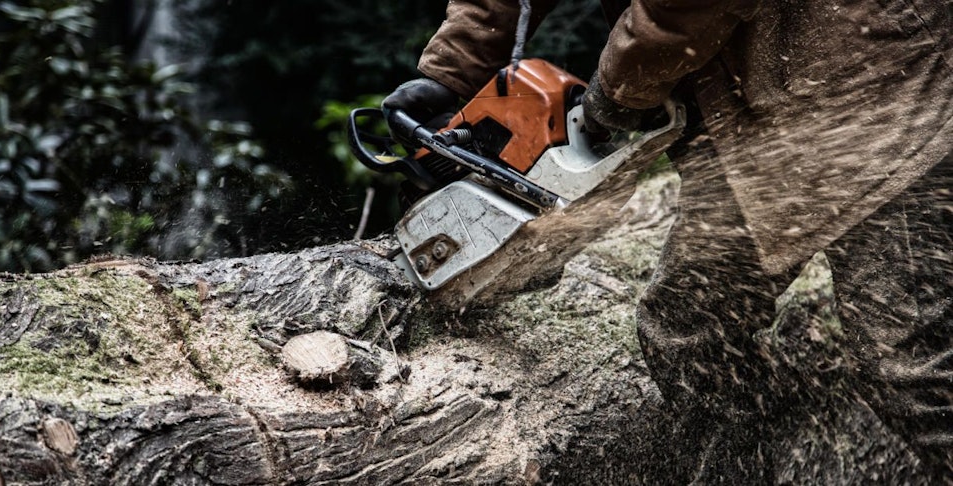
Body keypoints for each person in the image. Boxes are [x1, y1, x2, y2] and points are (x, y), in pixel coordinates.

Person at [383, 0, 953, 477]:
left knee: (916, 367)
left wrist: (617, 92)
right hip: (747, 116)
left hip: (874, 91)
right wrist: (452, 71)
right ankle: (781, 465)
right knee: (692, 333)